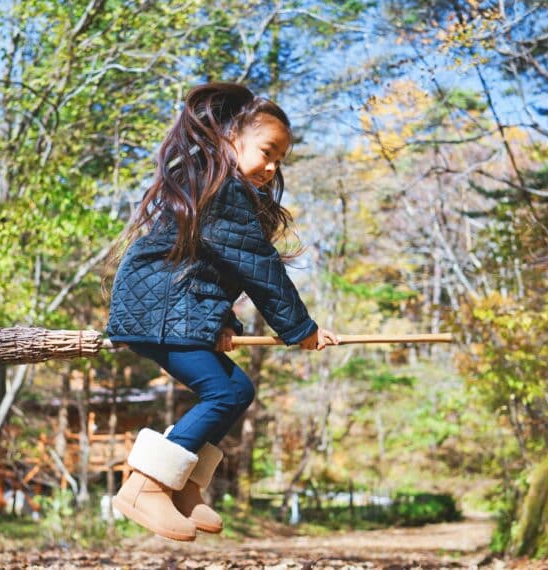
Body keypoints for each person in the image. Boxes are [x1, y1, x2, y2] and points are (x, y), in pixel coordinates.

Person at [104, 81, 339, 541]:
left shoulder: (219, 189)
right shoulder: (223, 189)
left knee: (237, 389)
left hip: (173, 307)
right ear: (232, 138)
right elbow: (258, 267)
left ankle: (184, 485)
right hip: (157, 312)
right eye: (267, 151)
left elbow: (211, 270)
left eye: (279, 161)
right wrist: (301, 329)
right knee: (224, 393)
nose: (272, 167)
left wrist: (222, 323)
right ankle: (146, 486)